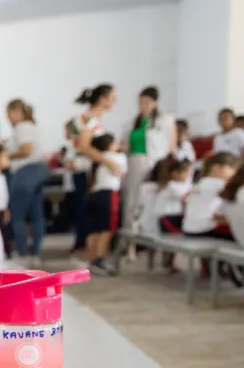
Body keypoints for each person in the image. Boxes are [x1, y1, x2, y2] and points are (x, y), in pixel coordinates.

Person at [121, 87, 176, 256]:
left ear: (155, 103)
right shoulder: (132, 123)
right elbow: (125, 145)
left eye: (146, 102)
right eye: (140, 103)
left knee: (151, 203)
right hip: (134, 164)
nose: (142, 106)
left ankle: (155, 245)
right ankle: (128, 244)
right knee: (131, 203)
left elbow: (171, 147)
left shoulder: (165, 121)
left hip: (154, 165)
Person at [67, 84, 118, 262]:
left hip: (90, 171)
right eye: (112, 98)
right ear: (102, 99)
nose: (115, 101)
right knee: (86, 213)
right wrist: (109, 161)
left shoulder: (91, 120)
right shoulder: (88, 119)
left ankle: (92, 252)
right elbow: (84, 146)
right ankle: (86, 252)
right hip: (85, 171)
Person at [5, 98, 49, 265]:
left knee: (18, 215)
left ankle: (23, 253)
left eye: (8, 114)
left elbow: (25, 150)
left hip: (25, 173)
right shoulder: (32, 126)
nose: (8, 118)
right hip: (38, 172)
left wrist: (6, 155)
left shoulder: (22, 127)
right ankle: (35, 253)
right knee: (37, 214)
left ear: (16, 112)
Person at [82, 133, 127, 275]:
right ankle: (99, 260)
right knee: (107, 229)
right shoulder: (118, 157)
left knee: (94, 230)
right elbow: (121, 172)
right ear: (109, 145)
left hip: (93, 195)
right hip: (108, 195)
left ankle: (90, 260)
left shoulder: (95, 160)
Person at [183, 152, 238, 239]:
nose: (234, 173)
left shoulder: (202, 182)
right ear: (217, 168)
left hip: (190, 229)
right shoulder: (218, 183)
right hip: (204, 229)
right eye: (231, 168)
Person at [153, 156, 194, 234]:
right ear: (175, 173)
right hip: (169, 218)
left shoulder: (184, 185)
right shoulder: (171, 185)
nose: (188, 175)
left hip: (178, 216)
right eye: (186, 172)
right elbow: (186, 196)